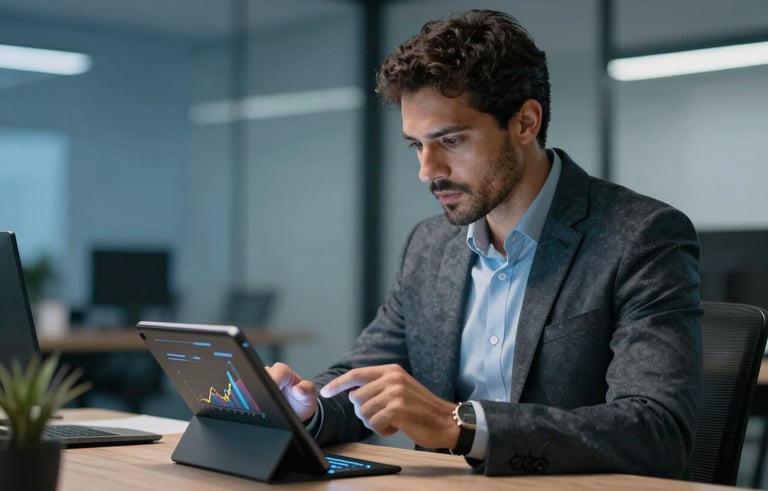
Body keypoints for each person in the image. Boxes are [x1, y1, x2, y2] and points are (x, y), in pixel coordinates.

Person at [267, 9, 701, 478]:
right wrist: (306, 406)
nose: (427, 170)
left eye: (449, 140)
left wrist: (464, 427)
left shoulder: (639, 235)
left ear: (525, 123)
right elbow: (363, 384)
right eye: (416, 145)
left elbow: (655, 431)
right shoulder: (429, 247)